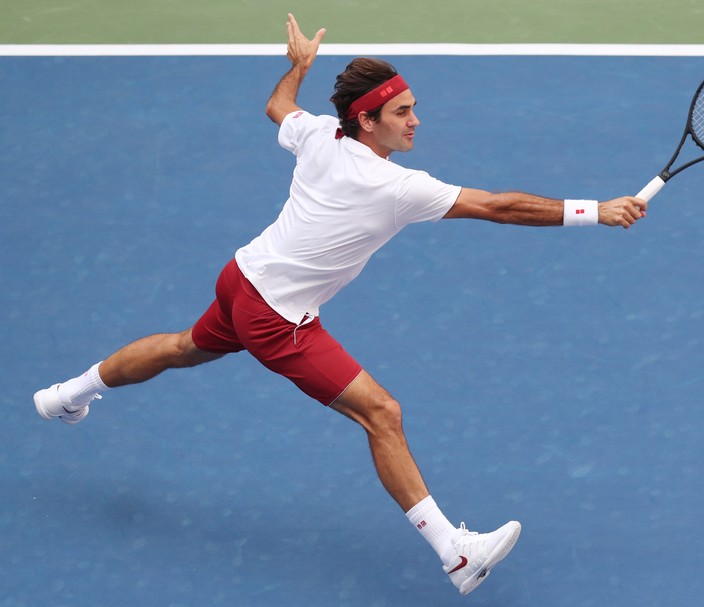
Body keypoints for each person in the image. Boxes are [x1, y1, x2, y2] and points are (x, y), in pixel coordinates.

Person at [33, 13, 647, 595]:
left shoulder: (319, 136)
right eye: (402, 113)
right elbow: (499, 206)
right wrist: (599, 210)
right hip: (278, 320)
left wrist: (297, 67)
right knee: (382, 413)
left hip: (241, 278)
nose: (415, 122)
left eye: (413, 109)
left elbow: (276, 106)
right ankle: (457, 555)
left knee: (179, 348)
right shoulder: (398, 185)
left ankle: (66, 395)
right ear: (367, 121)